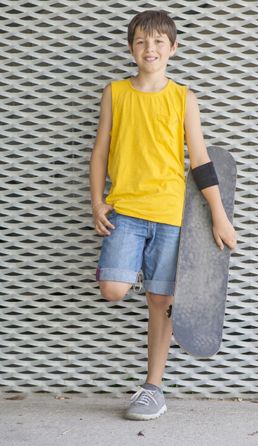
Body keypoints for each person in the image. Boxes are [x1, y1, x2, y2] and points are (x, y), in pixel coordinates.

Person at [89, 9, 237, 421]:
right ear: (131, 48)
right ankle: (130, 264)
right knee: (114, 289)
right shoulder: (115, 93)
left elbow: (201, 161)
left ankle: (153, 388)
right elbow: (100, 151)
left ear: (173, 48)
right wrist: (97, 202)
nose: (149, 49)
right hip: (126, 212)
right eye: (141, 41)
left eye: (158, 42)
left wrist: (218, 214)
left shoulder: (183, 97)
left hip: (172, 215)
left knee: (162, 300)